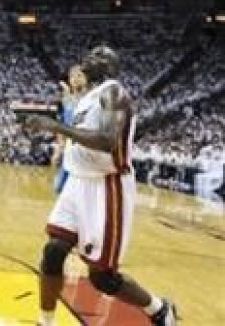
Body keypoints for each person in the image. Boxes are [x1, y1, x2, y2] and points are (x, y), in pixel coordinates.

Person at [26, 46, 177, 326]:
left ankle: (159, 309)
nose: (87, 58)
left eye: (97, 55)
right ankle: (45, 321)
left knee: (102, 278)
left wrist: (57, 127)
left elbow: (107, 140)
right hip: (77, 182)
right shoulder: (87, 99)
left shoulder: (114, 92)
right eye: (88, 54)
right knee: (53, 251)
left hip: (106, 187)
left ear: (110, 65)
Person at [52, 64, 88, 194]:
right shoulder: (66, 100)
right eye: (72, 76)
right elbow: (61, 127)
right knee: (59, 187)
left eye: (79, 75)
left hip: (85, 150)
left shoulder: (91, 99)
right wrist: (59, 149)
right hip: (69, 150)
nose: (75, 79)